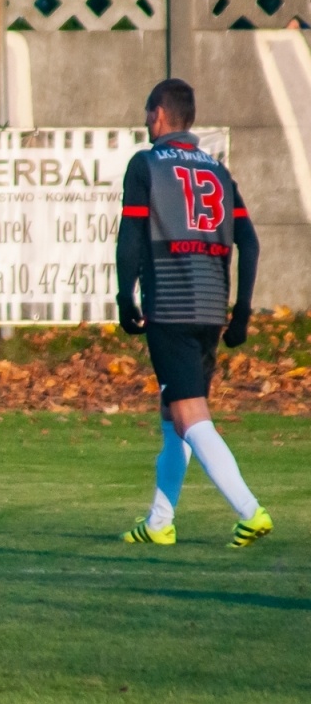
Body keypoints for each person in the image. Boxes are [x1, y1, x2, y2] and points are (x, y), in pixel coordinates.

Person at [117, 79, 271, 547]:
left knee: (189, 415)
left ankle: (250, 511)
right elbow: (249, 242)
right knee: (172, 415)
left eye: (148, 113)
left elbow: (131, 237)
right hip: (210, 306)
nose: (146, 121)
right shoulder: (219, 171)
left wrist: (126, 297)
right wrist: (241, 311)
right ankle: (160, 522)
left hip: (172, 305)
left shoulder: (145, 165)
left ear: (160, 114)